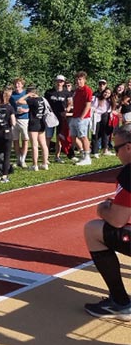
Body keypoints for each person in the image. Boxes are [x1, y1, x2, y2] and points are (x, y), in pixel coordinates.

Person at [82, 122, 131, 321]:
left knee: (92, 229)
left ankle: (120, 302)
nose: (116, 153)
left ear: (128, 147)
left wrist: (102, 209)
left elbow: (118, 221)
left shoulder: (128, 173)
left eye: (116, 148)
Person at [44, 75, 71, 163]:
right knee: (48, 137)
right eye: (58, 81)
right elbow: (45, 103)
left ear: (64, 82)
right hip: (50, 117)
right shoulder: (49, 92)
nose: (59, 83)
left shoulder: (67, 92)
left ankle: (57, 156)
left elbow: (70, 103)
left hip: (61, 117)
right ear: (55, 82)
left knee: (59, 137)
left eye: (61, 81)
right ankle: (45, 157)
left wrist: (67, 110)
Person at [70, 71, 94, 166]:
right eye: (77, 79)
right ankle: (83, 153)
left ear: (84, 80)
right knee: (73, 136)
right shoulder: (76, 91)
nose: (78, 81)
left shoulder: (87, 90)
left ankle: (87, 157)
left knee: (83, 137)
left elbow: (88, 105)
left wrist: (81, 117)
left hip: (82, 118)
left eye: (80, 79)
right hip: (74, 116)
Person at [25, 86, 49, 171]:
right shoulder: (42, 99)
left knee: (34, 145)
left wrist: (27, 95)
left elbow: (19, 101)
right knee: (43, 144)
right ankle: (45, 163)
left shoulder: (32, 100)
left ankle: (35, 165)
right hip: (41, 122)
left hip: (33, 123)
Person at [9, 78, 29, 167]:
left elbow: (33, 105)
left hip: (24, 119)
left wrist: (25, 110)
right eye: (15, 84)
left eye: (19, 84)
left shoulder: (26, 94)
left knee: (25, 139)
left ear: (22, 85)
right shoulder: (11, 95)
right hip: (14, 119)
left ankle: (23, 159)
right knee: (15, 140)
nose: (17, 85)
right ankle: (18, 159)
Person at [91, 83, 112, 159]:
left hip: (104, 119)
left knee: (103, 134)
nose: (107, 94)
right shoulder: (96, 99)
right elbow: (92, 107)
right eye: (106, 92)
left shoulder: (109, 101)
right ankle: (95, 151)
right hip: (96, 118)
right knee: (95, 134)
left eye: (109, 93)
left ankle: (104, 149)